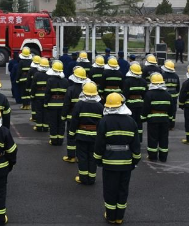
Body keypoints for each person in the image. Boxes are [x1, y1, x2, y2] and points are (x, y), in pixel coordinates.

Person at [94, 93, 141, 225]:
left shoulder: (104, 121)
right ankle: (120, 216)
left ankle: (110, 216)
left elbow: (99, 144)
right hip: (126, 163)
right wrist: (135, 160)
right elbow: (136, 145)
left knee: (110, 189)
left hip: (109, 163)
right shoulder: (131, 122)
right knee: (123, 189)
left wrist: (98, 160)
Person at [69, 80, 103, 185]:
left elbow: (74, 120)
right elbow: (102, 122)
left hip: (82, 135)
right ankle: (92, 178)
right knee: (93, 157)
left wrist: (72, 132)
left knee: (82, 156)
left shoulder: (79, 105)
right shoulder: (100, 106)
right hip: (95, 136)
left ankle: (83, 177)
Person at [142, 73, 174, 162]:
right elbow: (171, 109)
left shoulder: (149, 94)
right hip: (165, 119)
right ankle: (163, 157)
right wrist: (170, 119)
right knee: (164, 138)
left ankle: (152, 156)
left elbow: (146, 108)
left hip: (153, 119)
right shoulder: (168, 94)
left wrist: (143, 117)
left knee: (153, 138)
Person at [63, 66, 88, 163]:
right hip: (83, 118)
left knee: (71, 137)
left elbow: (66, 104)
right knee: (80, 137)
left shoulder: (70, 89)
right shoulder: (87, 89)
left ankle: (71, 156)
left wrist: (63, 115)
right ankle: (79, 156)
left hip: (71, 117)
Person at [44, 60, 68, 146]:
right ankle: (60, 140)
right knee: (61, 124)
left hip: (52, 105)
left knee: (53, 123)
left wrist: (45, 103)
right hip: (62, 105)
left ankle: (54, 140)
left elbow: (47, 93)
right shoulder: (65, 81)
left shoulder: (50, 80)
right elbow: (67, 95)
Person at [122, 63, 147, 142]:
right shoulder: (143, 81)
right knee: (139, 123)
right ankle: (139, 139)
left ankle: (131, 139)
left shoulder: (127, 81)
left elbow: (125, 94)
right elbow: (145, 94)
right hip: (140, 104)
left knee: (131, 122)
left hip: (130, 104)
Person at [30, 58, 50, 132]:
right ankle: (45, 127)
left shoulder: (37, 74)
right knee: (46, 111)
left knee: (39, 111)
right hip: (46, 97)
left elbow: (33, 86)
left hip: (38, 96)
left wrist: (32, 95)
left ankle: (39, 126)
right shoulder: (49, 75)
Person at [161, 60, 180, 130]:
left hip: (165, 95)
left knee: (165, 110)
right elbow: (178, 88)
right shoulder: (176, 76)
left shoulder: (162, 75)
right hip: (174, 96)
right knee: (173, 110)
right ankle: (172, 125)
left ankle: (166, 124)